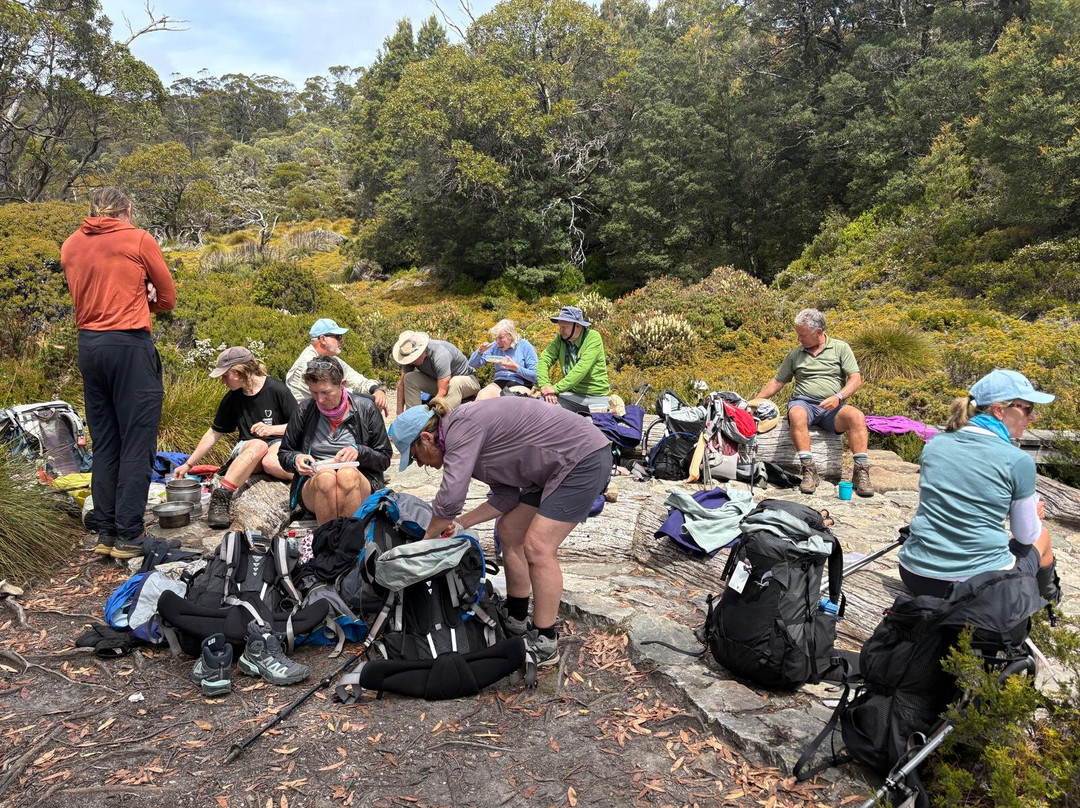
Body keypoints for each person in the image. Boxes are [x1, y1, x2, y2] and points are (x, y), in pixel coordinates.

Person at [389, 396, 612, 666]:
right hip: (547, 471)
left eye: (415, 458)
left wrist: (426, 542)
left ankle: (545, 640)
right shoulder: (462, 439)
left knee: (538, 546)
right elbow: (506, 497)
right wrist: (460, 524)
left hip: (581, 458)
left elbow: (450, 497)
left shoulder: (461, 428)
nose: (421, 465)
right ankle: (517, 616)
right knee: (509, 530)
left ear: (426, 438)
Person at [61, 187, 177, 560]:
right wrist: (145, 299)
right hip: (128, 345)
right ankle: (129, 536)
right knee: (137, 442)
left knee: (106, 441)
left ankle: (106, 533)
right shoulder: (138, 238)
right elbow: (168, 298)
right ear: (126, 210)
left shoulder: (71, 245)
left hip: (89, 347)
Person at [897, 370, 1061, 603]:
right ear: (999, 410)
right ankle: (1048, 604)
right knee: (1041, 536)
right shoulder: (1018, 460)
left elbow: (931, 503)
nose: (1032, 417)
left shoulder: (935, 444)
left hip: (915, 574)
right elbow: (1026, 536)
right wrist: (1033, 516)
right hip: (974, 585)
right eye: (1027, 408)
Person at [753, 308, 873, 497]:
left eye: (802, 335)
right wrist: (754, 402)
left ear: (818, 332)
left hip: (833, 407)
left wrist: (838, 398)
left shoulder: (841, 348)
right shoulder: (795, 354)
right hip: (804, 403)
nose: (798, 339)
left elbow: (855, 379)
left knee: (857, 416)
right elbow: (778, 381)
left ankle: (861, 473)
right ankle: (809, 470)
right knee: (796, 413)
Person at [173, 347, 296, 530]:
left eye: (225, 375)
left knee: (272, 461)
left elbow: (297, 425)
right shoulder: (232, 398)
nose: (223, 381)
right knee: (258, 445)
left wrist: (271, 429)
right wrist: (188, 464)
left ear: (239, 372)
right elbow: (214, 433)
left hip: (276, 444)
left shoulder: (277, 389)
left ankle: (308, 481)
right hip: (249, 449)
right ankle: (222, 496)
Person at [278, 358, 392, 525]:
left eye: (326, 392)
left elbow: (384, 458)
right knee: (326, 477)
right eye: (314, 393)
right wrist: (296, 460)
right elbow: (284, 453)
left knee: (347, 474)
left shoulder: (366, 408)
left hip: (359, 480)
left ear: (342, 384)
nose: (320, 400)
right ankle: (328, 542)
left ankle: (349, 542)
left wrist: (360, 452)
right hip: (316, 483)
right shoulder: (304, 410)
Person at [286, 318, 388, 415]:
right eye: (338, 336)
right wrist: (372, 399)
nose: (342, 340)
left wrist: (376, 390)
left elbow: (356, 379)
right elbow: (334, 395)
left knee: (374, 403)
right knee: (369, 405)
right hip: (309, 418)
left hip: (326, 412)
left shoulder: (331, 359)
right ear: (323, 339)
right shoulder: (307, 364)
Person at [536, 306, 610, 414]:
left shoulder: (593, 338)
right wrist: (545, 385)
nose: (561, 330)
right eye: (560, 326)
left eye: (564, 327)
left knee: (590, 426)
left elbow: (581, 370)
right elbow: (544, 360)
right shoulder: (560, 339)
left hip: (597, 397)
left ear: (578, 326)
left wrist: (555, 388)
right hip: (572, 397)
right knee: (543, 406)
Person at [393, 331, 481, 414]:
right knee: (409, 378)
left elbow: (442, 391)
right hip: (440, 382)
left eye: (414, 358)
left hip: (467, 381)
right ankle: (412, 418)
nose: (412, 362)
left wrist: (427, 411)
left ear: (423, 350)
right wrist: (399, 413)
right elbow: (401, 385)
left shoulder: (440, 354)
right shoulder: (409, 355)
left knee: (455, 382)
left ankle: (445, 420)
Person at [467, 319, 538, 400]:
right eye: (496, 338)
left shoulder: (524, 346)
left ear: (511, 336)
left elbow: (535, 376)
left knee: (507, 398)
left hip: (520, 383)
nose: (497, 341)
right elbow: (472, 364)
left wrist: (516, 368)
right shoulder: (495, 346)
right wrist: (480, 352)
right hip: (499, 382)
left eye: (501, 337)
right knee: (482, 396)